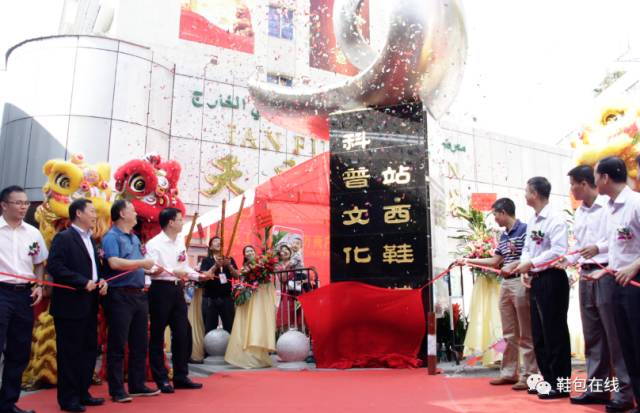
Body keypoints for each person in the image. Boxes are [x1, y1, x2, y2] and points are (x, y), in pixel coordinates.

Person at [559, 165, 634, 411]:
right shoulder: (579, 212)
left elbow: (616, 241)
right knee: (592, 336)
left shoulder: (610, 207)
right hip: (586, 274)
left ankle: (624, 392)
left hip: (608, 272)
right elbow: (580, 246)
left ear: (584, 183)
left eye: (573, 184)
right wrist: (568, 259)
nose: (571, 189)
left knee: (615, 336)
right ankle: (598, 389)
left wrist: (597, 249)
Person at [457, 198, 537, 390]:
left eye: (495, 215)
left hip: (521, 281)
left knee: (526, 332)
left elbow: (531, 255)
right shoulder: (504, 236)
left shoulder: (526, 230)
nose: (495, 219)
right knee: (509, 331)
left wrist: (514, 265)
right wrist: (467, 260)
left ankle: (529, 375)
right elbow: (495, 261)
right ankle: (509, 373)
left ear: (503, 212)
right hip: (506, 283)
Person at [47, 199, 109, 412]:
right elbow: (55, 266)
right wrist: (81, 281)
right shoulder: (64, 237)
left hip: (89, 304)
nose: (95, 215)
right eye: (91, 211)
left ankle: (83, 392)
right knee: (70, 353)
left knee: (88, 350)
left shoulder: (91, 239)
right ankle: (68, 398)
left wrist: (101, 281)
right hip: (69, 305)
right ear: (79, 214)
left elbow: (94, 269)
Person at [512, 176, 571, 400]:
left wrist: (532, 263)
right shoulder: (533, 220)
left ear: (535, 194)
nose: (525, 195)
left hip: (553, 278)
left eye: (527, 191)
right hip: (536, 279)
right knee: (539, 334)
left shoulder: (555, 219)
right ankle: (548, 379)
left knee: (554, 332)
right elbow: (527, 248)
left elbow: (558, 250)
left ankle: (560, 383)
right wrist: (526, 268)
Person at [591, 156, 640, 412]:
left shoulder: (635, 203)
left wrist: (634, 267)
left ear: (605, 178)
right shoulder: (610, 208)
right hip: (617, 281)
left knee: (638, 342)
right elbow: (618, 248)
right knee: (627, 345)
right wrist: (606, 270)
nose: (594, 182)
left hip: (635, 283)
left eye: (596, 177)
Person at [101, 200, 159, 403]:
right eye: (133, 211)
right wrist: (142, 263)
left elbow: (137, 265)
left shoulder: (134, 238)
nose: (136, 214)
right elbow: (114, 262)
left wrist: (149, 269)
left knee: (140, 342)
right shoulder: (111, 237)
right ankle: (117, 389)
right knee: (117, 343)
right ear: (122, 213)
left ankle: (137, 384)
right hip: (119, 295)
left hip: (139, 294)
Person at [145, 207, 205, 393]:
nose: (182, 222)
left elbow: (184, 266)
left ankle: (181, 376)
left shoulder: (179, 241)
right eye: (180, 219)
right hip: (160, 290)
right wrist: (172, 270)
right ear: (170, 222)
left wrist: (199, 276)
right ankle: (161, 379)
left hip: (177, 290)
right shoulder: (154, 244)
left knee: (183, 332)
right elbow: (150, 269)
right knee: (157, 335)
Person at [0, 186, 47, 413]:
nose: (23, 207)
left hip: (24, 295)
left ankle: (8, 403)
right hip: (1, 292)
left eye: (26, 203)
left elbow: (39, 262)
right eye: (18, 203)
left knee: (19, 350)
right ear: (4, 205)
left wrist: (39, 285)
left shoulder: (33, 233)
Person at [224, 245, 277, 368]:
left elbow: (267, 278)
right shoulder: (244, 268)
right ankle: (247, 355)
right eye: (247, 251)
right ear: (244, 255)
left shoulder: (262, 264)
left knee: (258, 322)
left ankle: (259, 353)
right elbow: (238, 276)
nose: (249, 252)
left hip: (261, 296)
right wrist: (230, 266)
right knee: (248, 322)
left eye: (251, 250)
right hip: (249, 297)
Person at [200, 236, 238, 334]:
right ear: (210, 247)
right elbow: (203, 276)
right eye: (215, 241)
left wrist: (229, 265)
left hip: (227, 298)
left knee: (230, 327)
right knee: (209, 328)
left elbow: (237, 276)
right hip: (210, 298)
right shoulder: (206, 260)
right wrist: (215, 265)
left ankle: (230, 344)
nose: (218, 243)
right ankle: (208, 345)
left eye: (220, 241)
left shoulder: (229, 259)